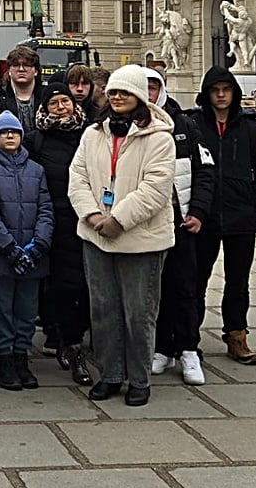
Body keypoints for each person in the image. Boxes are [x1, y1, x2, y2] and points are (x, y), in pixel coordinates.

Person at [67, 64, 177, 407]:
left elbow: (156, 189)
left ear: (139, 97)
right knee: (103, 310)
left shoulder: (159, 138)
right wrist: (94, 215)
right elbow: (77, 178)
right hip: (96, 235)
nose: (116, 97)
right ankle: (111, 374)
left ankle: (139, 378)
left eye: (124, 92)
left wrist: (119, 219)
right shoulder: (92, 134)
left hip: (141, 239)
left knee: (139, 312)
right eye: (113, 92)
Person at [188, 64, 256, 366]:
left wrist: (255, 204)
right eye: (215, 90)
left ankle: (237, 335)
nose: (221, 95)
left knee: (238, 281)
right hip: (204, 216)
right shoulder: (194, 126)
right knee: (196, 279)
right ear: (207, 94)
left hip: (241, 217)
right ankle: (189, 339)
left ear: (235, 93)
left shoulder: (251, 128)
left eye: (226, 90)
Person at [144, 69, 215, 386]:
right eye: (142, 86)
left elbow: (205, 172)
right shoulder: (130, 123)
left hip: (182, 221)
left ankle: (188, 348)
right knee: (154, 290)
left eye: (153, 86)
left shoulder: (186, 124)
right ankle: (161, 347)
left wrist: (198, 211)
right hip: (147, 223)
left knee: (185, 288)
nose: (148, 92)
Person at [0, 112, 53, 390]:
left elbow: (45, 209)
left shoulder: (36, 169)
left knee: (27, 309)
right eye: (4, 132)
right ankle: (5, 357)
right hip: (1, 256)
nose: (10, 136)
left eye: (15, 132)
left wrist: (38, 245)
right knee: (2, 308)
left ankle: (22, 355)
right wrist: (9, 247)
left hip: (32, 256)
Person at [30, 79, 92, 385]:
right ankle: (67, 340)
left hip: (87, 218)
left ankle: (77, 337)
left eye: (65, 101)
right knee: (59, 285)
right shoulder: (37, 139)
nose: (60, 107)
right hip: (51, 219)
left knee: (83, 284)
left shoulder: (90, 134)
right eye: (53, 103)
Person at [0, 44, 41, 136]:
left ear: (36, 71)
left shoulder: (46, 97)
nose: (21, 69)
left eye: (26, 65)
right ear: (9, 70)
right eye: (16, 65)